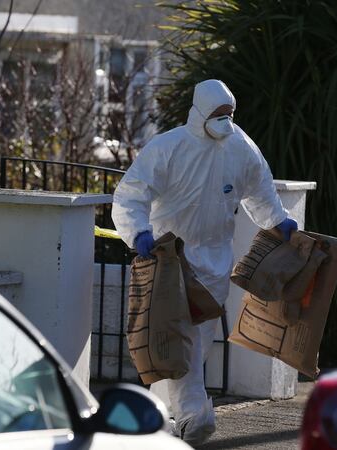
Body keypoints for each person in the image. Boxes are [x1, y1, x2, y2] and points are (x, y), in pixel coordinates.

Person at [112, 79, 298, 445]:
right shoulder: (168, 148)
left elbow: (260, 186)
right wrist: (139, 234)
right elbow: (131, 195)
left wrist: (277, 220)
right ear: (198, 113)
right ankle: (195, 415)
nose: (224, 122)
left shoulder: (240, 147)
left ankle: (163, 416)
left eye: (229, 114)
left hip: (214, 259)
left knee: (190, 340)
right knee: (183, 338)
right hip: (170, 258)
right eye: (217, 115)